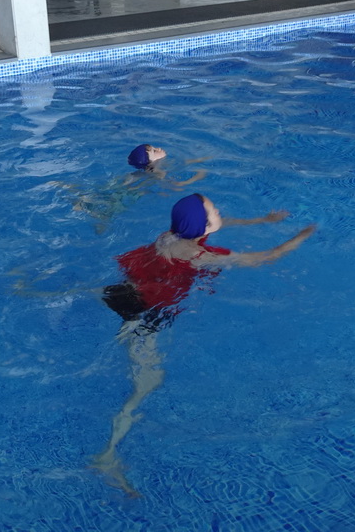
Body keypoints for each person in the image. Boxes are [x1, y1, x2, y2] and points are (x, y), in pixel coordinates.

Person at [90, 193, 315, 494]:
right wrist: (300, 237)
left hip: (122, 292)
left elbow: (218, 224)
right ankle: (107, 455)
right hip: (147, 316)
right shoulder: (201, 256)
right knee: (146, 384)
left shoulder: (168, 236)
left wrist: (260, 220)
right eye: (215, 210)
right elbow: (264, 258)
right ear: (204, 226)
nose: (221, 211)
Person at [59, 143, 209, 233]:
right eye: (153, 151)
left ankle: (82, 197)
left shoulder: (149, 170)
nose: (158, 148)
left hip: (124, 184)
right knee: (110, 208)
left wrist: (199, 159)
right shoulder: (158, 173)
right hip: (129, 193)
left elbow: (181, 163)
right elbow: (176, 188)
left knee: (105, 193)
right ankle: (94, 212)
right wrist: (198, 176)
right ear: (150, 163)